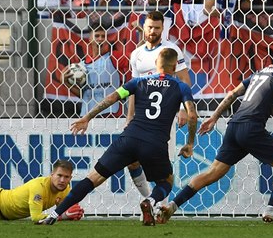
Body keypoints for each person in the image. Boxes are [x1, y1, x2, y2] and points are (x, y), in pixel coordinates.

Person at [37, 48, 198, 226]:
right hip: (154, 144)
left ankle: (54, 214)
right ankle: (150, 201)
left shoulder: (138, 82)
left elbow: (112, 97)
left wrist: (87, 117)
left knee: (93, 179)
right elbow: (191, 115)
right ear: (175, 66)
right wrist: (190, 143)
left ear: (155, 64)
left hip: (129, 138)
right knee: (166, 182)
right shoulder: (181, 87)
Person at [156, 43, 273, 226]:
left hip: (234, 126)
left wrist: (213, 117)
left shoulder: (259, 74)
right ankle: (272, 209)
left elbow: (232, 94)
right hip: (252, 128)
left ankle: (172, 205)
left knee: (213, 172)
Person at [126, 11, 193, 198]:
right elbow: (133, 88)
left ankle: (159, 205)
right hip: (141, 115)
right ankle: (148, 200)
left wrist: (182, 109)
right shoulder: (136, 54)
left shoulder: (171, 51)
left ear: (162, 28)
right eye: (149, 27)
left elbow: (184, 79)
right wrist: (129, 116)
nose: (152, 31)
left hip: (164, 113)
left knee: (162, 163)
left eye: (157, 28)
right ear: (144, 27)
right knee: (132, 161)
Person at [61, 25, 123, 117]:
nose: (100, 39)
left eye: (103, 36)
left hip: (111, 113)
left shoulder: (114, 57)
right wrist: (65, 82)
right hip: (87, 115)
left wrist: (142, 33)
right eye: (97, 36)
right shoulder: (81, 66)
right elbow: (85, 94)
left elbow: (137, 57)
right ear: (90, 39)